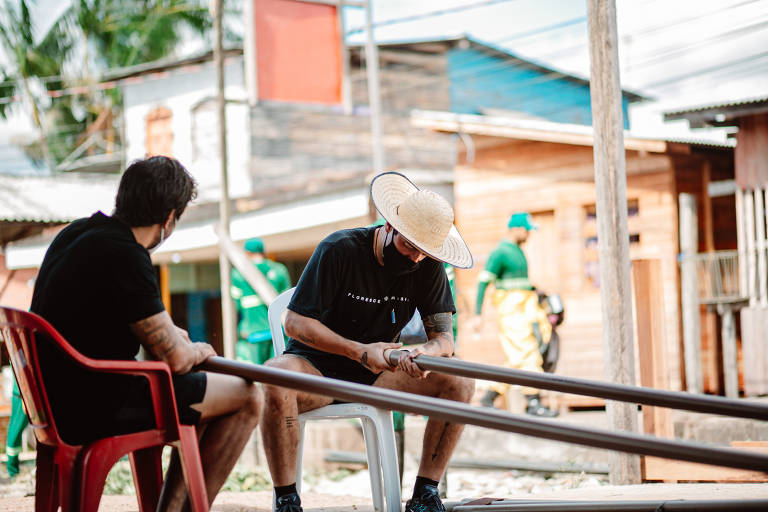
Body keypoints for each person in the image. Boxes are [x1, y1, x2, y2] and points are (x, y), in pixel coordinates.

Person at [30, 156, 263, 511]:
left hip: (54, 399)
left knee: (205, 400)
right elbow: (177, 358)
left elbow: (141, 322)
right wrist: (200, 349)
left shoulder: (77, 233)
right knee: (247, 397)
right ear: (169, 219)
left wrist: (175, 339)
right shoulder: (126, 255)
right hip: (93, 403)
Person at [261, 171, 475, 512]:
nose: (415, 259)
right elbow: (294, 322)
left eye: (424, 253)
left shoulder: (427, 266)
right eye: (408, 247)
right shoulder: (339, 249)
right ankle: (287, 500)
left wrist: (424, 352)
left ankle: (425, 494)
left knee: (460, 380)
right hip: (316, 368)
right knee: (274, 377)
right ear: (389, 226)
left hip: (378, 375)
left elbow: (444, 337)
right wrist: (359, 351)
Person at [475, 212, 558, 417]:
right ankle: (533, 403)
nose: (529, 234)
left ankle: (488, 399)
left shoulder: (518, 251)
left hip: (524, 309)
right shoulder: (501, 252)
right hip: (511, 311)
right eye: (527, 230)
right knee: (527, 352)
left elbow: (519, 283)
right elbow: (483, 281)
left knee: (517, 358)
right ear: (516, 228)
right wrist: (478, 314)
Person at [231, 237, 292, 364]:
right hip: (279, 332)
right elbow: (288, 302)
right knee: (280, 372)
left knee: (259, 374)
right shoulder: (279, 270)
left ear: (247, 253)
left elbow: (237, 305)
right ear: (263, 251)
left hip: (254, 333)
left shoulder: (238, 274)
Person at [4, 379, 28, 478]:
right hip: (22, 395)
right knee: (15, 432)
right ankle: (12, 469)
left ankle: (12, 468)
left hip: (23, 393)